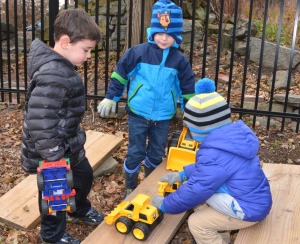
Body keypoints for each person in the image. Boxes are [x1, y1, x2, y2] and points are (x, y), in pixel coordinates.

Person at [151, 78, 273, 244]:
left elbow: (197, 189)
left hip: (247, 210)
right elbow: (212, 169)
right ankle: (222, 236)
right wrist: (182, 174)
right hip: (256, 200)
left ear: (200, 128)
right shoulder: (231, 141)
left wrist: (166, 205)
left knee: (196, 222)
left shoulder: (213, 153)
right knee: (203, 203)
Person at [20, 9, 104, 244]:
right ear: (66, 42)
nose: (88, 56)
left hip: (69, 143)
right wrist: (53, 157)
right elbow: (40, 122)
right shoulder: (53, 75)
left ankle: (76, 210)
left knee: (84, 176)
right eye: (86, 50)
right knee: (55, 196)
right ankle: (52, 236)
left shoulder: (62, 69)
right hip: (51, 152)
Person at [97, 0, 195, 197]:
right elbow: (120, 74)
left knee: (156, 153)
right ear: (152, 31)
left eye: (169, 34)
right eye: (160, 33)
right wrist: (111, 97)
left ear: (176, 35)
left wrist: (190, 111)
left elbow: (187, 88)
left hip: (163, 116)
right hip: (138, 113)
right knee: (135, 151)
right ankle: (130, 187)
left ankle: (150, 185)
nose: (164, 38)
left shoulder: (179, 61)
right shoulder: (138, 52)